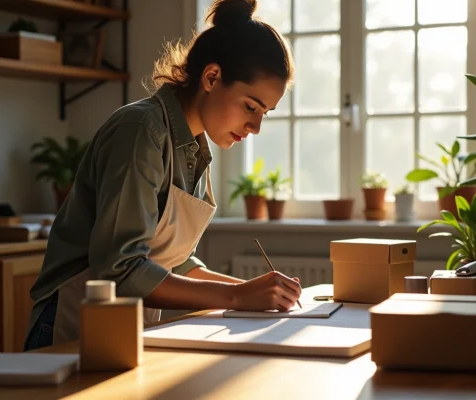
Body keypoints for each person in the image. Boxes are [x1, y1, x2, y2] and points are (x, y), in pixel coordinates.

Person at [24, 0, 301, 351]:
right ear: (212, 77)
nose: (256, 126)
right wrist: (237, 296)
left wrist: (258, 293)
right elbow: (120, 269)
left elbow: (174, 263)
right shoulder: (141, 130)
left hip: (122, 328)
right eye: (251, 106)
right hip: (69, 323)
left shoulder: (195, 147)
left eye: (266, 113)